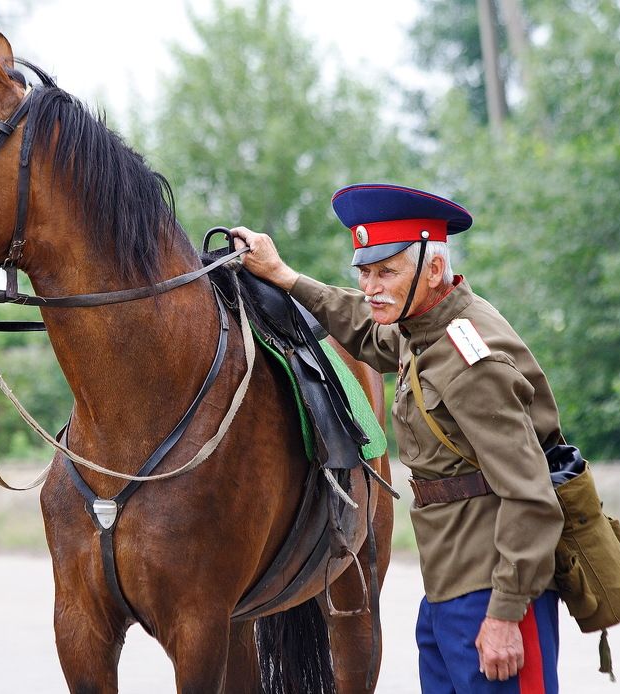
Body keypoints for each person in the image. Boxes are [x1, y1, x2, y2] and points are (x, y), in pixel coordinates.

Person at [230, 183, 565, 693]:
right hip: (449, 592)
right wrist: (284, 276)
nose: (371, 286)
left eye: (387, 271)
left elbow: (532, 496)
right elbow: (364, 331)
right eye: (365, 272)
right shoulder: (425, 328)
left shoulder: (471, 360)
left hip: (493, 594)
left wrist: (504, 614)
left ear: (434, 270)